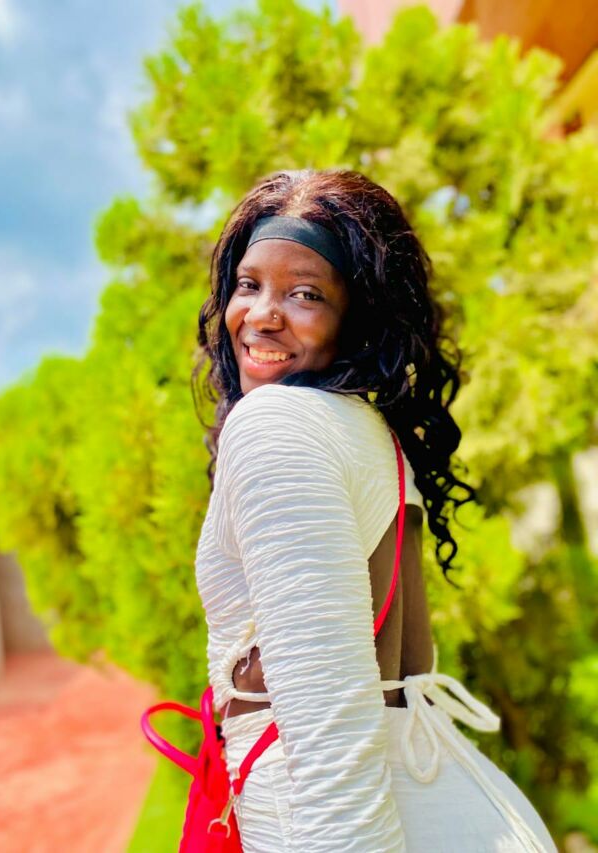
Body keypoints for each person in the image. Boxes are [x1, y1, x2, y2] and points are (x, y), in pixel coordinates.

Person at [191, 168, 557, 852]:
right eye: (248, 284)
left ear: (355, 317)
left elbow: (333, 742)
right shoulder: (366, 431)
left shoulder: (277, 425)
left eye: (305, 293)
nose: (261, 315)